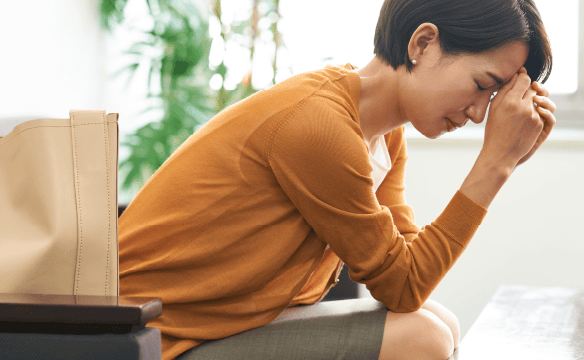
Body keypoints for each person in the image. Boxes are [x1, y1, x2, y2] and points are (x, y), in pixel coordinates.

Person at [118, 0, 556, 359]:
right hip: (156, 338)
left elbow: (405, 274)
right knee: (424, 339)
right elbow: (402, 286)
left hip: (217, 324)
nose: (480, 114)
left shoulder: (383, 134)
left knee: (439, 323)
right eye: (482, 84)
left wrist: (501, 160)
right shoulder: (318, 124)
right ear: (423, 43)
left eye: (494, 97)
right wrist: (494, 166)